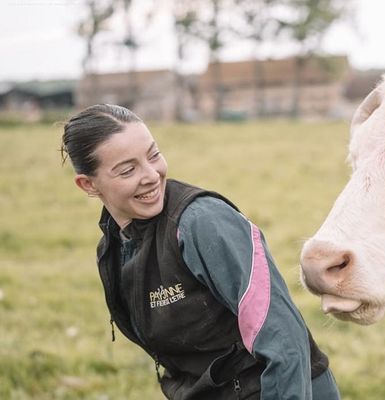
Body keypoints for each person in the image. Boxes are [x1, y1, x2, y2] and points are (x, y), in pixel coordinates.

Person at [60, 104, 340, 400]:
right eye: (128, 169)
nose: (151, 175)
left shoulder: (202, 222)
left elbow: (283, 336)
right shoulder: (113, 249)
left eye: (153, 155)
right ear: (88, 184)